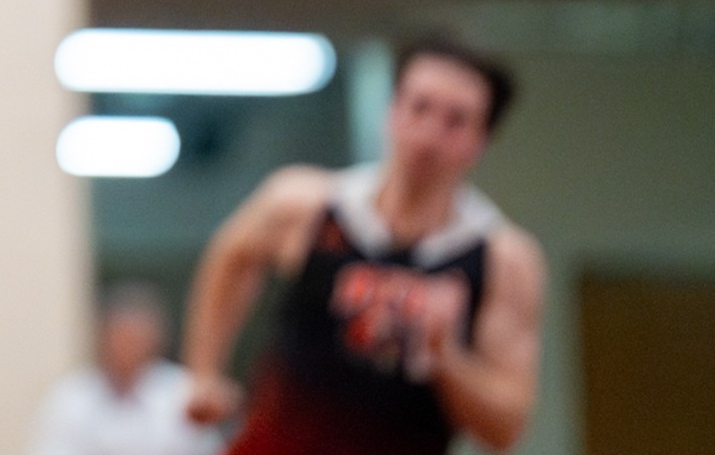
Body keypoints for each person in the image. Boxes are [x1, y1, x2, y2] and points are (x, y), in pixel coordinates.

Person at [182, 36, 547, 455]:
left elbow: (505, 428)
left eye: (455, 120)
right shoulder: (308, 205)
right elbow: (232, 254)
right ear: (391, 112)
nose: (429, 134)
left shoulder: (502, 259)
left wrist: (445, 359)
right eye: (420, 107)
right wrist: (203, 371)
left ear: (481, 141)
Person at [29, 282, 223, 455]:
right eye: (120, 336)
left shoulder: (183, 392)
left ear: (156, 339)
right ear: (102, 338)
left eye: (135, 337)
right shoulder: (70, 397)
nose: (127, 346)